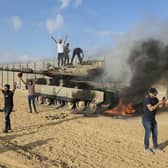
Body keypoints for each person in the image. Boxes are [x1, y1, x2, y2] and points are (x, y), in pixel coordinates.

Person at [142, 87, 166, 154]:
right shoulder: (147, 99)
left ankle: (155, 148)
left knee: (155, 134)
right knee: (148, 134)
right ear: (150, 93)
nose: (156, 94)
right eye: (154, 93)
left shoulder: (155, 99)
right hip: (146, 120)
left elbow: (160, 107)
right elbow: (151, 109)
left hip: (153, 120)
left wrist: (163, 102)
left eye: (156, 92)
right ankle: (146, 148)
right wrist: (158, 103)